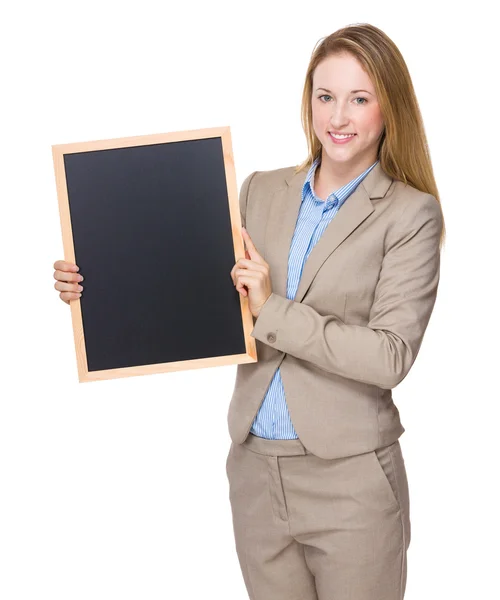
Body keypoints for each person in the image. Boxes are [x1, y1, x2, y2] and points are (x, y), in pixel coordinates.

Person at [53, 23, 445, 600]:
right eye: (325, 95)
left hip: (352, 481)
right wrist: (96, 285)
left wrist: (272, 308)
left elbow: (390, 355)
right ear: (308, 99)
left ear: (389, 108)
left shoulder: (410, 215)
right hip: (256, 473)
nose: (338, 116)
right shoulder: (260, 191)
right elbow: (196, 295)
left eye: (359, 98)